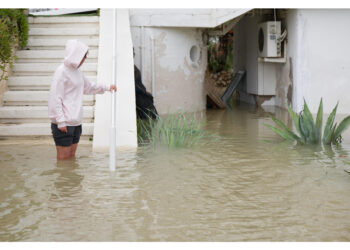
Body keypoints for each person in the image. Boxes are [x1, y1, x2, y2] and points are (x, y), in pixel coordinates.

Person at [48, 39, 117, 160]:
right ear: (76, 55)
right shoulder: (61, 72)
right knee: (64, 161)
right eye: (84, 56)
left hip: (76, 122)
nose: (85, 59)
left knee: (71, 159)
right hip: (64, 124)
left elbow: (88, 87)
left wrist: (107, 87)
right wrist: (60, 121)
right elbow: (55, 97)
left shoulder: (77, 71)